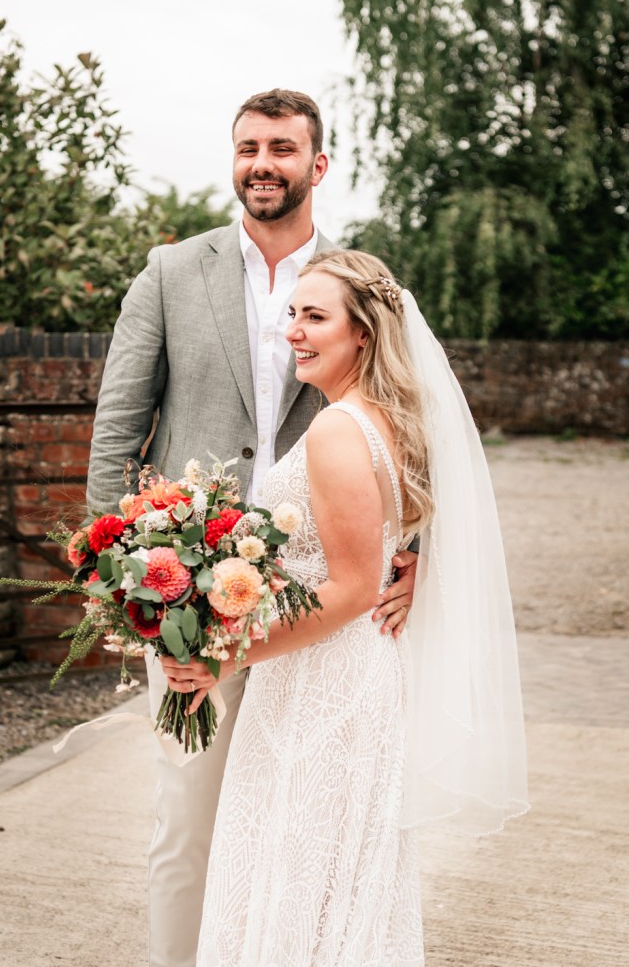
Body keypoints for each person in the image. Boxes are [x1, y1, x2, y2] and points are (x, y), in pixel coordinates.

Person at [86, 90, 419, 967]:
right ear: (232, 159)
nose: (261, 162)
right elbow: (118, 425)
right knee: (189, 816)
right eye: (246, 147)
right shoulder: (170, 272)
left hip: (317, 605)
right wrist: (116, 574)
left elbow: (412, 428)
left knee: (292, 823)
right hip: (185, 591)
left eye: (281, 146)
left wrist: (410, 548)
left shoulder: (355, 287)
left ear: (316, 164)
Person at [162, 250, 530, 966]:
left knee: (299, 877)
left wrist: (220, 656)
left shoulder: (337, 429)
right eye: (292, 314)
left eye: (314, 316)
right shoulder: (378, 420)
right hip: (342, 674)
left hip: (321, 685)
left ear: (362, 332)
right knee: (332, 881)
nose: (293, 330)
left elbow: (353, 586)